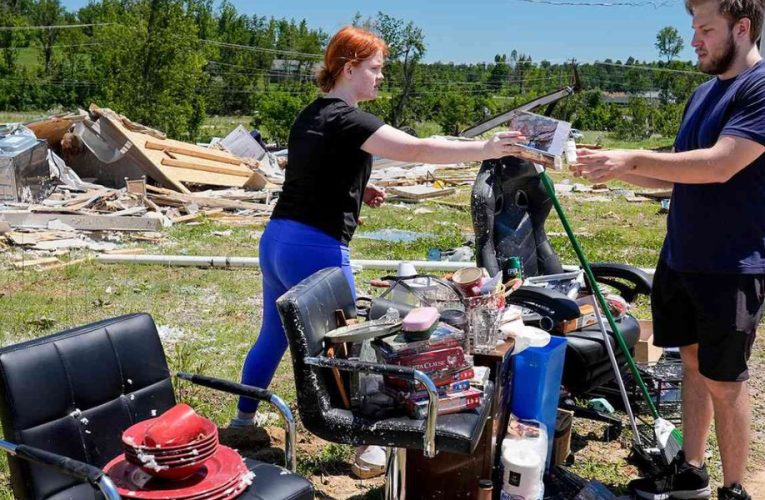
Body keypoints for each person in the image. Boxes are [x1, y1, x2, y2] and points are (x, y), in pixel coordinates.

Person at [232, 25, 528, 478]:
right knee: (356, 346)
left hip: (277, 240)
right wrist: (484, 148)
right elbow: (416, 149)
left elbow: (317, 167)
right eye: (375, 68)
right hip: (316, 245)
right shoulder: (349, 118)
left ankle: (242, 422)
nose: (380, 77)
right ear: (349, 68)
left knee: (273, 334)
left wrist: (359, 188)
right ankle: (370, 448)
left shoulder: (313, 114)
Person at [572, 1, 764, 499]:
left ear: (742, 28)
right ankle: (693, 471)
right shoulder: (703, 93)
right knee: (693, 365)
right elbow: (679, 169)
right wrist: (616, 169)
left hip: (731, 264)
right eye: (693, 28)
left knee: (725, 380)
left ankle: (736, 487)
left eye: (706, 29)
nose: (695, 39)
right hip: (681, 255)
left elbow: (721, 164)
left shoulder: (760, 88)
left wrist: (632, 155)